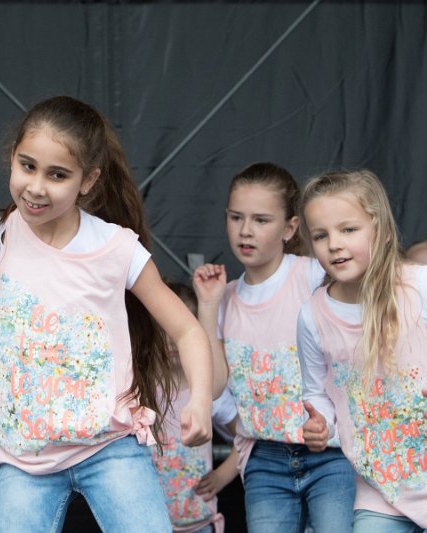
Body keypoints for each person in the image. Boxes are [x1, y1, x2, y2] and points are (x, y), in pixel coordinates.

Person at [0, 96, 214, 533]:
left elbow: (187, 329)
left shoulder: (116, 247)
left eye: (57, 175)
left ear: (87, 180)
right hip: (23, 461)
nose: (36, 186)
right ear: (12, 159)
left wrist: (202, 401)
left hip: (109, 447)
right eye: (28, 166)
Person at [193, 162, 355, 533]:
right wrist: (207, 305)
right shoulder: (226, 297)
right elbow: (215, 386)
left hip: (329, 452)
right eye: (236, 217)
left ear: (290, 228)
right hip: (264, 456)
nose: (245, 231)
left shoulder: (313, 274)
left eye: (261, 220)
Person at [297, 169, 427, 531]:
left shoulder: (419, 285)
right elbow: (316, 390)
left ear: (383, 232)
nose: (334, 244)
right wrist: (318, 421)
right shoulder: (313, 315)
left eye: (348, 230)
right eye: (320, 235)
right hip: (380, 488)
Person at [152, 281, 238, 533]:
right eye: (162, 328)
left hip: (199, 522)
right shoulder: (141, 391)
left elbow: (246, 434)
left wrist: (222, 476)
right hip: (150, 522)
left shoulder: (204, 391)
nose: (171, 339)